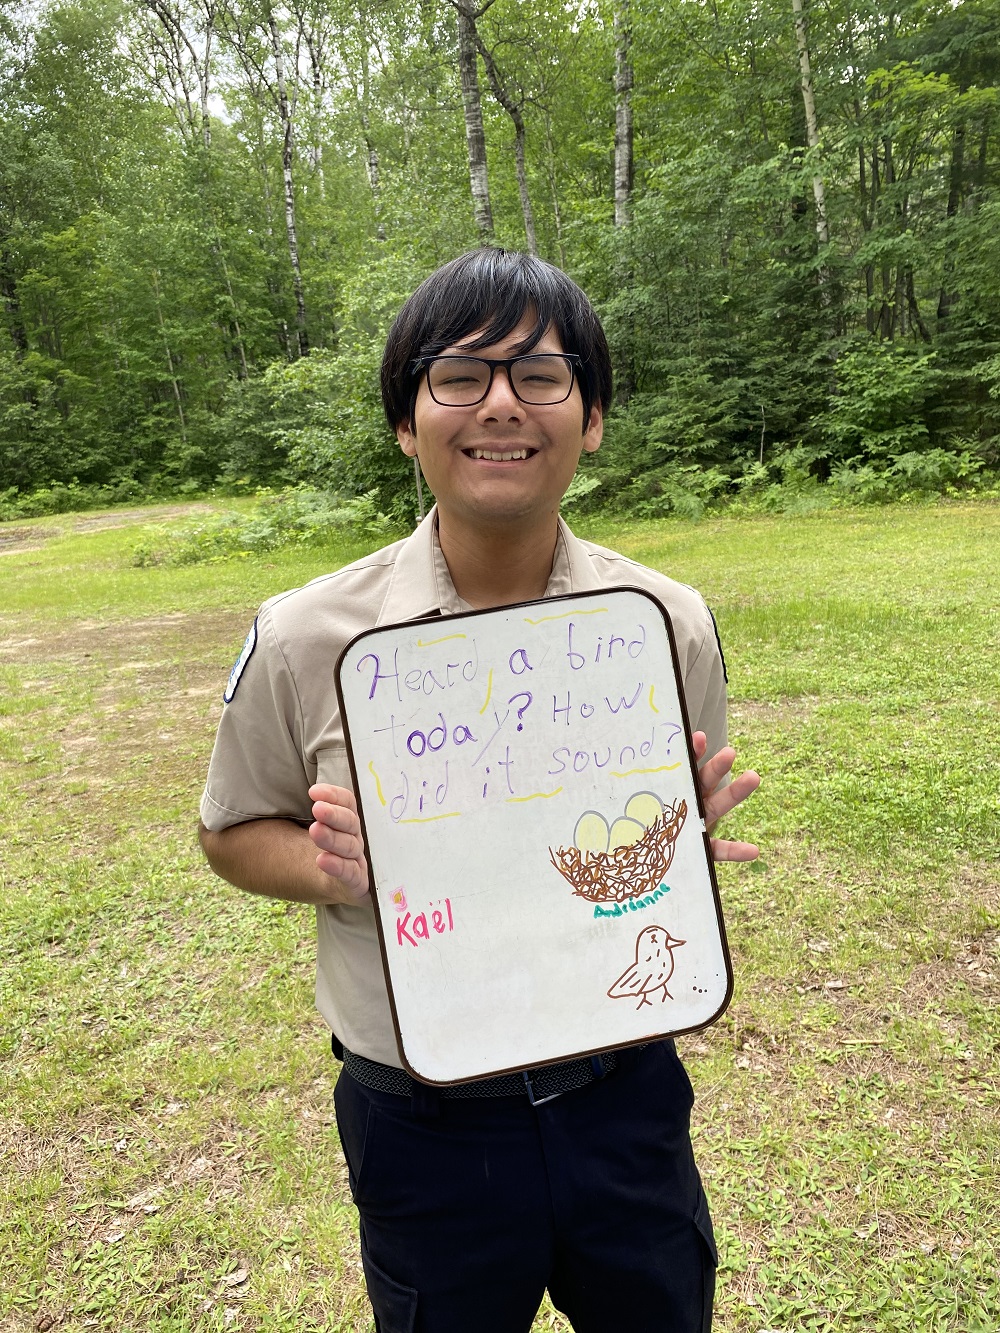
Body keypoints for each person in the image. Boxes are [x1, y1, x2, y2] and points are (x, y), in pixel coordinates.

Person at [199, 248, 760, 1333]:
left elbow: (670, 825)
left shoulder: (663, 621)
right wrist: (321, 865)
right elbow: (229, 831)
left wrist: (683, 845)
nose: (500, 402)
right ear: (407, 423)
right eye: (458, 374)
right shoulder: (305, 633)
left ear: (590, 418)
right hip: (423, 1123)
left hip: (623, 1097)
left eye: (540, 375)